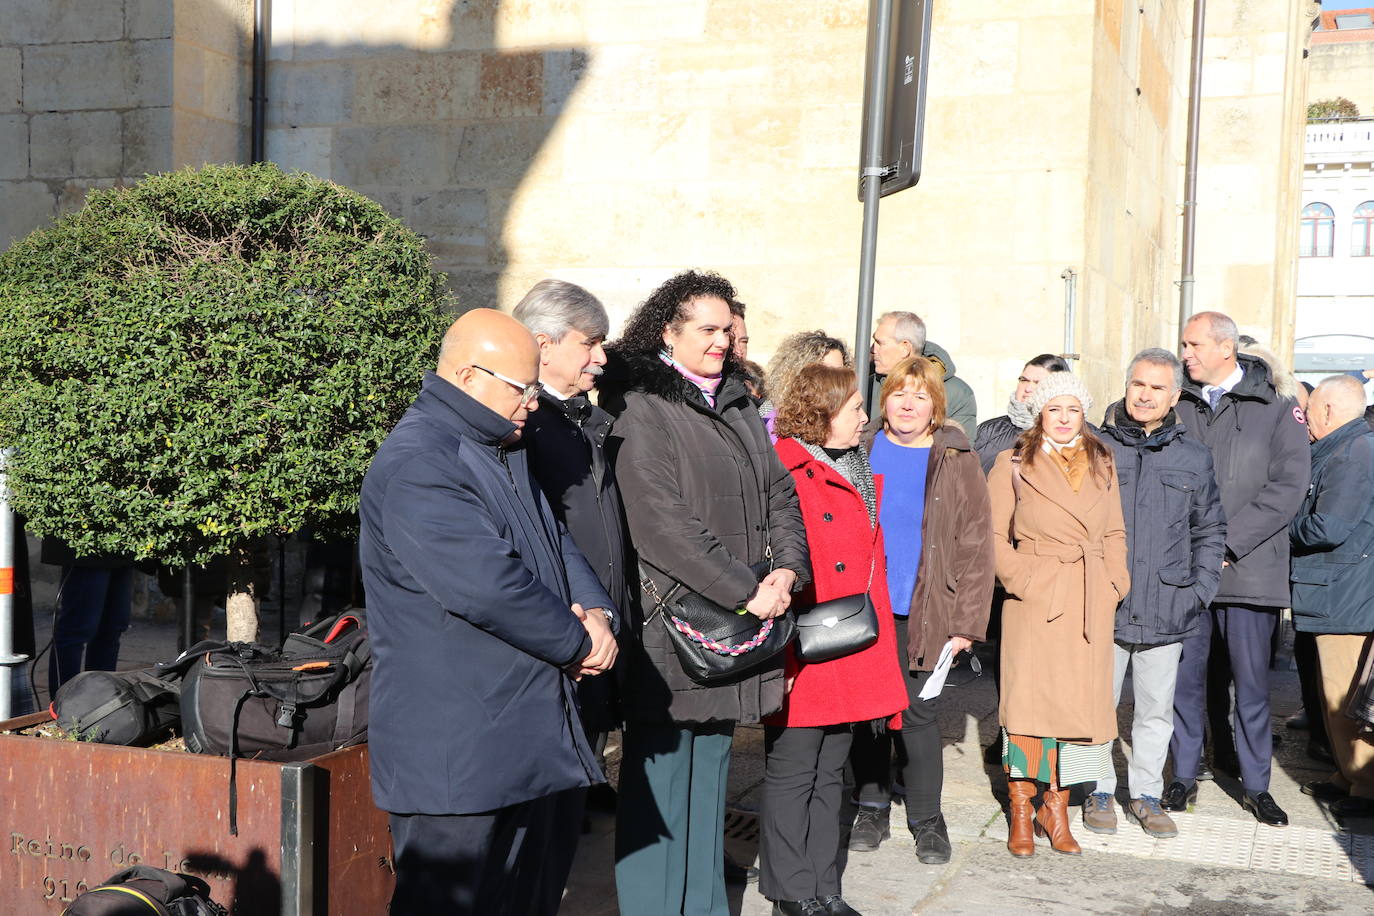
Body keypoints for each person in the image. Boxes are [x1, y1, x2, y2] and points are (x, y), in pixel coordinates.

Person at [359, 309, 618, 915]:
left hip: (520, 737)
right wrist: (577, 644)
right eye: (522, 388)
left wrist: (598, 615)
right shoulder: (419, 462)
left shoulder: (500, 445)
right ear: (471, 376)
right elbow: (488, 586)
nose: (533, 402)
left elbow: (555, 540)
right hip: (459, 752)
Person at [599, 270, 810, 916]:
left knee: (710, 782)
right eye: (707, 329)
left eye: (728, 329)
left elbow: (779, 494)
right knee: (658, 793)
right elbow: (663, 528)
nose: (721, 341)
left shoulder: (739, 401)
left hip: (740, 627)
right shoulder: (641, 404)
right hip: (675, 633)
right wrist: (750, 589)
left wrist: (787, 574)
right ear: (669, 331)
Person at [762, 364, 907, 916]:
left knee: (831, 773)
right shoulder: (788, 469)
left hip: (853, 641)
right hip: (807, 642)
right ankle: (790, 891)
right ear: (821, 413)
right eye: (854, 409)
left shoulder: (856, 466)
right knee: (795, 770)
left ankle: (824, 887)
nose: (866, 417)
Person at [1164, 311, 1310, 827]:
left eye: (1194, 344)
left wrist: (1226, 543)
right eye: (1183, 345)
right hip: (1185, 572)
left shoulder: (1276, 404)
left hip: (1249, 573)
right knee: (1185, 683)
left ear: (1226, 348)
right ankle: (1182, 776)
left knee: (1250, 686)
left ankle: (1256, 786)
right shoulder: (1178, 403)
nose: (1186, 354)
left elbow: (1288, 488)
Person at [848, 356, 995, 863]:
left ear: (936, 407)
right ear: (883, 400)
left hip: (929, 609)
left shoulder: (956, 458)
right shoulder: (859, 450)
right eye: (899, 393)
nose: (908, 404)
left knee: (917, 714)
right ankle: (869, 804)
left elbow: (977, 546)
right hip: (865, 607)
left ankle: (927, 819)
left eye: (921, 395)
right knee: (866, 713)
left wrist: (967, 623)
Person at [987, 371, 1129, 858]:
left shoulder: (1101, 461)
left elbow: (1113, 532)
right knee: (1027, 709)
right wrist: (1026, 580)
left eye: (1073, 409)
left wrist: (1115, 583)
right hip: (1036, 598)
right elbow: (991, 536)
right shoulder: (1013, 462)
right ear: (1039, 414)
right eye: (1054, 409)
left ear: (1083, 413)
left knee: (1076, 711)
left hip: (1089, 598)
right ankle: (1023, 810)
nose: (1065, 419)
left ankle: (1057, 807)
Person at [1086, 349, 1226, 838]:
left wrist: (1199, 591)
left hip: (1169, 606)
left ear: (1174, 396)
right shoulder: (1096, 445)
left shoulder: (1192, 455)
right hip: (1107, 604)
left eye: (1157, 388)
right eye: (1137, 384)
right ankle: (1099, 789)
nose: (1144, 395)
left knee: (1154, 712)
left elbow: (1210, 529)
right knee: (1097, 705)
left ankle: (1145, 794)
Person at [514, 279, 632, 814]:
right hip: (565, 623)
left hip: (602, 616)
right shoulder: (521, 426)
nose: (601, 358)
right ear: (544, 344)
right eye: (590, 343)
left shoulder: (587, 417)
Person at [1289, 374, 1374, 826]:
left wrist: (1283, 528)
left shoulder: (1351, 454)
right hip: (1338, 593)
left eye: (1310, 411)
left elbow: (1329, 527)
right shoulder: (1349, 448)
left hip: (1345, 596)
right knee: (1333, 699)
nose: (1304, 421)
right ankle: (1347, 777)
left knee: (1345, 701)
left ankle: (1365, 786)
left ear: (1327, 411)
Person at [42, 537, 135, 695]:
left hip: (121, 547)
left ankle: (100, 700)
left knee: (112, 628)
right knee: (76, 629)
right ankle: (64, 704)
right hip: (87, 545)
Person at [868, 311, 976, 436]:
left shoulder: (957, 394)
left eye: (880, 343)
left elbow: (959, 451)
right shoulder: (867, 385)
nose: (873, 350)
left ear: (905, 348)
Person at [973, 354, 1071, 475]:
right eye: (1024, 380)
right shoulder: (988, 431)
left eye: (1037, 383)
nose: (1028, 388)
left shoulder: (1078, 435)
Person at [759, 330, 850, 438]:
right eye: (825, 373)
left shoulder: (844, 420)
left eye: (840, 373)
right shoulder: (769, 421)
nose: (834, 380)